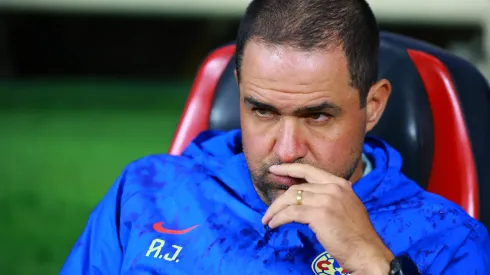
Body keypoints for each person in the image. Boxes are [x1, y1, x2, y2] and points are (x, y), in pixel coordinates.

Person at [60, 0, 490, 274]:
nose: (286, 150)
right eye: (262, 110)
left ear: (373, 105)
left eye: (318, 116)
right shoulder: (145, 192)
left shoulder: (448, 241)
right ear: (239, 90)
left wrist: (375, 264)